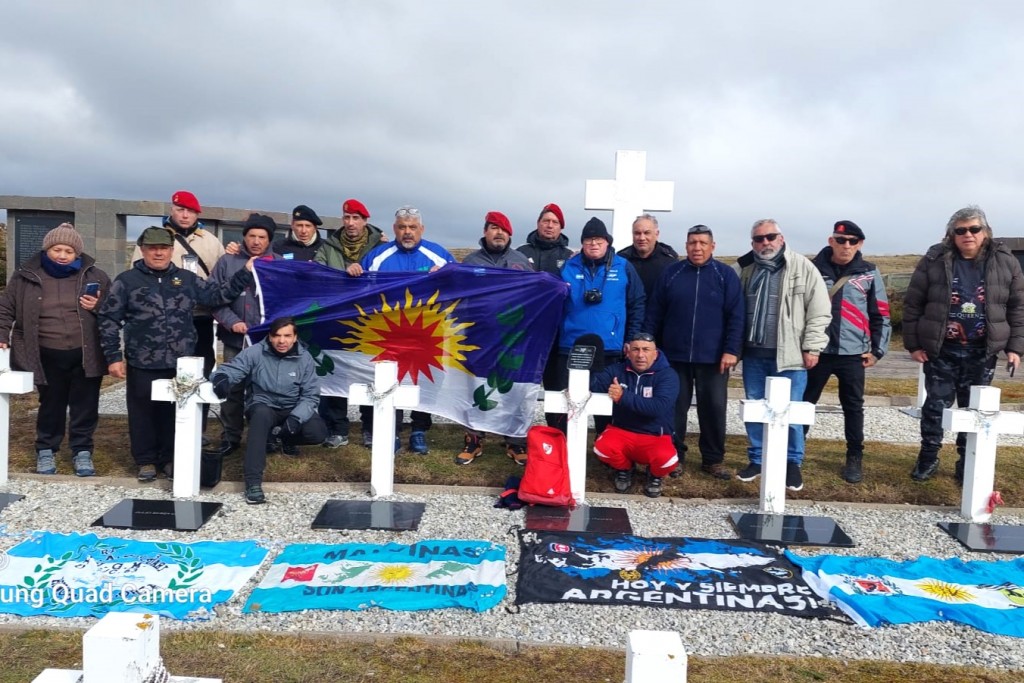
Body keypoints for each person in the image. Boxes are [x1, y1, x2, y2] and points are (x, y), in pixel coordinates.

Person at [99, 226, 255, 482]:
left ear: (171, 250)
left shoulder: (187, 279)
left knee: (177, 414)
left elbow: (217, 295)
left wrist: (244, 272)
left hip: (181, 363)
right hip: (143, 361)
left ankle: (172, 458)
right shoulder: (126, 281)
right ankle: (146, 460)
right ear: (143, 250)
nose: (158, 253)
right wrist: (113, 356)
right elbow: (108, 319)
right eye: (152, 248)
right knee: (143, 413)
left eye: (163, 248)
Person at [903, 205, 1024, 483]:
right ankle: (928, 457)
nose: (967, 235)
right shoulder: (934, 258)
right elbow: (913, 303)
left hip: (982, 351)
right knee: (935, 407)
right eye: (960, 230)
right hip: (942, 349)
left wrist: (1015, 348)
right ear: (951, 234)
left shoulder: (1005, 261)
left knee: (974, 411)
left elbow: (1018, 307)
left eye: (974, 229)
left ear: (985, 232)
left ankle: (965, 461)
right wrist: (913, 344)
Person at [0, 223, 110, 476]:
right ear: (47, 249)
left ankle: (82, 451)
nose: (62, 255)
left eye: (69, 251)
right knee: (51, 403)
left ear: (77, 254)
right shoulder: (25, 276)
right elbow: (5, 308)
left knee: (85, 405)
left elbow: (115, 310)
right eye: (57, 249)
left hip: (86, 353)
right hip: (45, 353)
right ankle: (46, 449)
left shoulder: (96, 276)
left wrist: (98, 305)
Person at [346, 206, 456, 454]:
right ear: (395, 229)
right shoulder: (377, 256)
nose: (408, 232)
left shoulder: (439, 255)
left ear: (422, 229)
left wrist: (447, 276)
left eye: (412, 227)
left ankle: (419, 430)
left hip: (426, 332)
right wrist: (352, 272)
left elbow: (460, 288)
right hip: (388, 332)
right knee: (387, 380)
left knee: (426, 379)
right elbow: (359, 292)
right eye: (403, 227)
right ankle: (390, 430)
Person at [735, 219, 830, 492]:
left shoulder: (802, 267)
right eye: (758, 239)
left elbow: (819, 310)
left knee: (790, 410)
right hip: (754, 354)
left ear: (781, 237)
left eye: (770, 237)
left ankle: (792, 462)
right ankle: (757, 458)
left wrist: (813, 347)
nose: (765, 243)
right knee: (754, 408)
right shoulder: (744, 269)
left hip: (789, 355)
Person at [645, 224, 744, 480]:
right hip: (674, 357)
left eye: (702, 243)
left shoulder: (725, 275)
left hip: (714, 358)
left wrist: (731, 350)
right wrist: (648, 343)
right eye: (692, 243)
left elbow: (737, 316)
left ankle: (713, 459)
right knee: (674, 408)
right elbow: (655, 312)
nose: (697, 248)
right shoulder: (672, 273)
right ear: (686, 246)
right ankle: (674, 456)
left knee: (713, 407)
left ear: (713, 246)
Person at [803, 221, 891, 484]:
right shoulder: (812, 269)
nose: (847, 245)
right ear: (831, 241)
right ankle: (793, 454)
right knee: (804, 404)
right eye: (841, 240)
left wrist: (877, 351)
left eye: (853, 241)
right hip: (817, 352)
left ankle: (854, 458)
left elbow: (881, 314)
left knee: (853, 407)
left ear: (860, 244)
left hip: (853, 354)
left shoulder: (869, 272)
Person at [210, 316, 327, 504]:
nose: (282, 341)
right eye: (277, 336)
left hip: (292, 406)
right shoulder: (255, 352)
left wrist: (296, 418)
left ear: (295, 337)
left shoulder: (304, 358)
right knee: (260, 419)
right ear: (270, 337)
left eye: (287, 336)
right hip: (263, 404)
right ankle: (253, 483)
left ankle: (280, 437)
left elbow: (310, 395)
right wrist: (221, 378)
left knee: (318, 432)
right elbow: (233, 369)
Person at [552, 217, 645, 434]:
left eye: (598, 240)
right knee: (566, 402)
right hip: (570, 347)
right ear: (582, 243)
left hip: (609, 348)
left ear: (607, 242)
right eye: (588, 240)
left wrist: (631, 338)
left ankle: (607, 449)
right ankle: (561, 447)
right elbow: (555, 303)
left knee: (607, 404)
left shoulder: (624, 267)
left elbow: (637, 303)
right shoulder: (568, 266)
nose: (594, 244)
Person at [457, 211, 533, 466]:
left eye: (503, 229)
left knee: (514, 390)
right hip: (478, 337)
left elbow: (535, 296)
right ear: (485, 232)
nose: (499, 233)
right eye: (493, 228)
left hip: (512, 339)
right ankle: (474, 439)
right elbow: (457, 295)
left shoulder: (521, 262)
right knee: (474, 387)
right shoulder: (470, 261)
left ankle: (515, 441)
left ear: (510, 234)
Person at [131, 190, 225, 395]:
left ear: (197, 214)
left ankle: (197, 423)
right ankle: (165, 423)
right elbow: (137, 276)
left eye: (190, 211)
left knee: (201, 371)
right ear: (172, 210)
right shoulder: (153, 237)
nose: (184, 215)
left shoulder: (210, 241)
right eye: (180, 209)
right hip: (163, 319)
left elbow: (221, 277)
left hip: (200, 317)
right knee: (165, 375)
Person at [313, 198, 388, 449]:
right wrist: (344, 271)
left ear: (365, 221)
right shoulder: (328, 246)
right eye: (347, 218)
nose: (350, 223)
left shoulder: (381, 246)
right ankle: (337, 428)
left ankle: (369, 427)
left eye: (356, 218)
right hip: (335, 319)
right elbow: (318, 275)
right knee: (335, 371)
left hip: (370, 321)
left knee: (368, 373)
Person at [209, 213, 281, 457]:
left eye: (262, 237)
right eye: (252, 235)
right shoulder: (227, 262)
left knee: (267, 390)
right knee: (233, 389)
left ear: (269, 239)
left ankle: (265, 436)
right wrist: (232, 322)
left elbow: (287, 303)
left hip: (268, 343)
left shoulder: (280, 264)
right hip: (236, 340)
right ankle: (231, 436)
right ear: (244, 237)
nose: (256, 241)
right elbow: (214, 299)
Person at [589, 333, 679, 498]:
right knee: (601, 449)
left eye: (646, 350)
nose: (640, 355)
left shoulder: (668, 375)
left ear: (655, 353)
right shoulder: (617, 370)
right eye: (635, 349)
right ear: (628, 352)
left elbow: (657, 408)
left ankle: (654, 474)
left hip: (655, 434)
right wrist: (592, 367)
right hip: (622, 430)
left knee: (668, 461)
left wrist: (623, 396)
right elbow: (594, 384)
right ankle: (624, 468)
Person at [617, 214, 679, 299]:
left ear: (656, 234)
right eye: (637, 233)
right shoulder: (620, 260)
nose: (642, 238)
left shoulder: (670, 262)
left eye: (647, 233)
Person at [517, 203, 573, 275]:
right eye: (546, 221)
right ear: (538, 223)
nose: (550, 226)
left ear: (560, 228)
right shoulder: (521, 253)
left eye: (555, 222)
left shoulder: (569, 257)